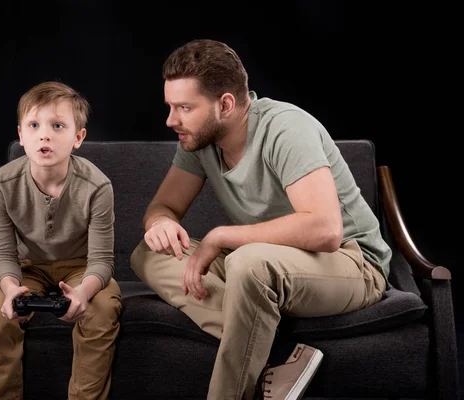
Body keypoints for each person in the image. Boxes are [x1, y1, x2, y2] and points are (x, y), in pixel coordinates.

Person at [130, 39, 391, 400]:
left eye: (184, 107)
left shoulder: (286, 129)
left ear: (225, 104)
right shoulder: (198, 140)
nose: (171, 119)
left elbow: (326, 231)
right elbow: (163, 208)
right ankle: (283, 356)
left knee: (248, 263)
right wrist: (161, 223)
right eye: (171, 106)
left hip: (351, 263)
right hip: (270, 265)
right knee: (150, 252)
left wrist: (220, 235)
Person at [0, 81, 122, 400]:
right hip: (27, 268)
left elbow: (102, 261)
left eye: (58, 125)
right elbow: (3, 254)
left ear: (78, 138)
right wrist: (9, 288)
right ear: (21, 135)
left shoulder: (98, 187)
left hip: (81, 268)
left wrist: (84, 292)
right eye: (34, 125)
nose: (44, 134)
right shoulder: (0, 185)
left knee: (101, 311)